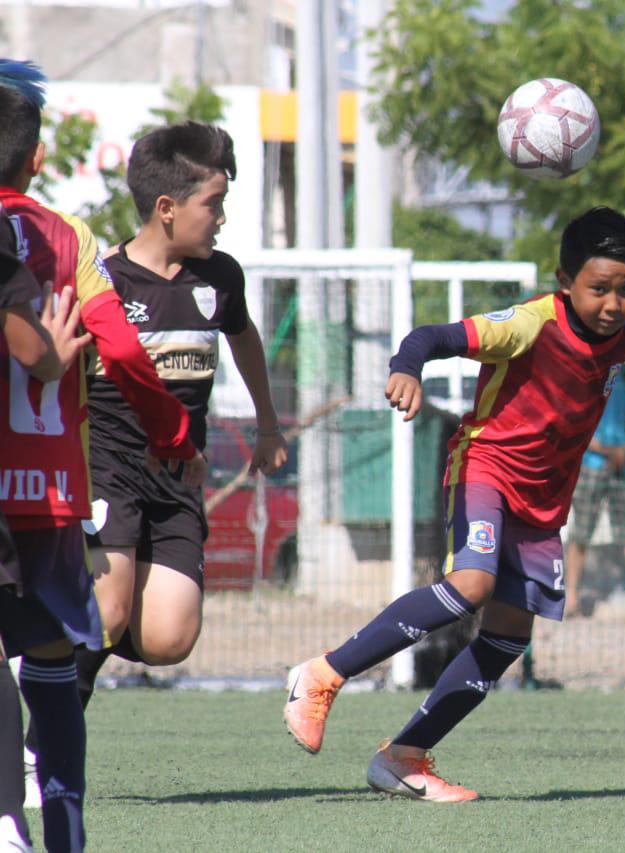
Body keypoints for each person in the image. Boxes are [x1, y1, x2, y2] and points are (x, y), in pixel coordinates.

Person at [283, 206, 625, 802]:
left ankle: (403, 757)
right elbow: (432, 336)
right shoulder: (528, 324)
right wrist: (407, 369)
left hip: (543, 502)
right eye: (599, 288)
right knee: (472, 585)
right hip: (486, 470)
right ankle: (323, 673)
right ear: (564, 281)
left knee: (508, 637)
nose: (613, 303)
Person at [0, 59, 201, 851]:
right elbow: (118, 345)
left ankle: (5, 822)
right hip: (51, 487)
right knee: (52, 666)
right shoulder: (71, 235)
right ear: (38, 158)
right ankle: (65, 835)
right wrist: (173, 430)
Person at [28, 122, 286, 731]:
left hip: (177, 476)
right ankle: (41, 747)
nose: (222, 218)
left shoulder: (219, 277)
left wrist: (268, 424)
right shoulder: (104, 280)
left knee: (170, 638)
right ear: (167, 208)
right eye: (213, 204)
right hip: (106, 468)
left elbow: (244, 337)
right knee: (109, 611)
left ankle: (63, 631)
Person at [0, 206, 82, 853]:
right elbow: (34, 353)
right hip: (34, 488)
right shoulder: (35, 233)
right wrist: (52, 356)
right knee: (47, 647)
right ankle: (25, 824)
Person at [563, 353, 625, 618]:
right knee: (581, 532)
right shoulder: (584, 373)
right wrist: (608, 451)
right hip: (591, 464)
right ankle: (571, 599)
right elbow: (571, 421)